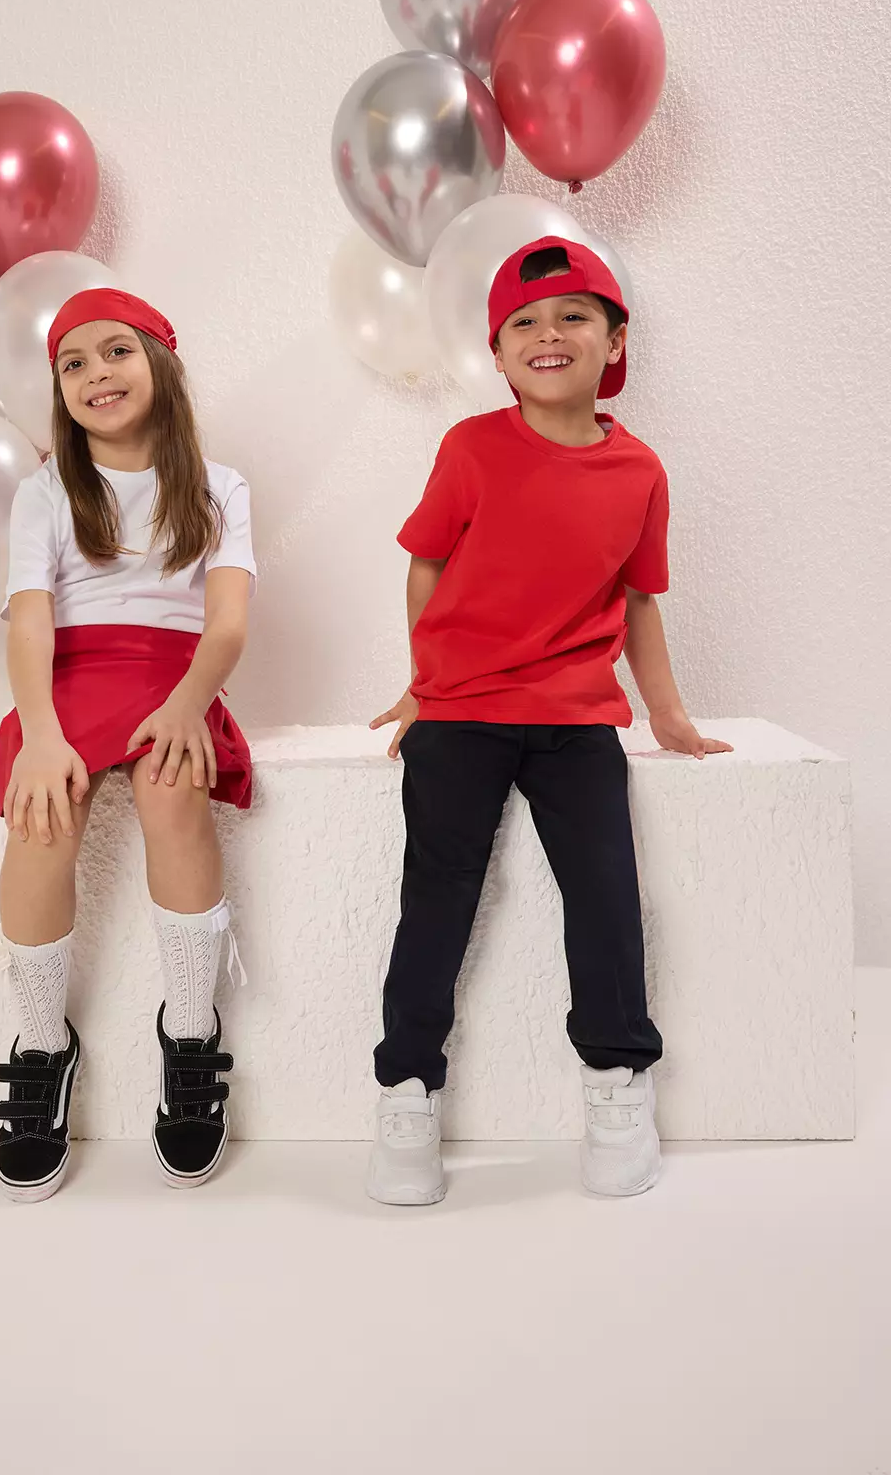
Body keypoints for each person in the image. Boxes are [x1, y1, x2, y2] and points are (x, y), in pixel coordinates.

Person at [366, 236, 731, 1205]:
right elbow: (427, 565)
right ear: (497, 354)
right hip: (463, 711)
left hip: (575, 718)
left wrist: (668, 714)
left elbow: (640, 601)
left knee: (606, 891)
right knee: (437, 894)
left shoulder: (640, 472)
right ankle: (406, 1088)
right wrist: (423, 684)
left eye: (573, 315)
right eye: (522, 323)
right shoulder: (471, 449)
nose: (548, 334)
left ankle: (617, 1079)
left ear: (616, 341)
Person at [0, 287, 255, 1202]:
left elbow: (227, 623)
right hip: (68, 679)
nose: (96, 374)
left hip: (175, 676)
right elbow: (30, 623)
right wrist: (40, 735)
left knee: (173, 790)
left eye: (116, 352)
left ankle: (191, 1029)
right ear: (60, 392)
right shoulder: (44, 492)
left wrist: (188, 705)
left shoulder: (219, 486)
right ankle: (41, 1044)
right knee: (43, 816)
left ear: (160, 364)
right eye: (73, 363)